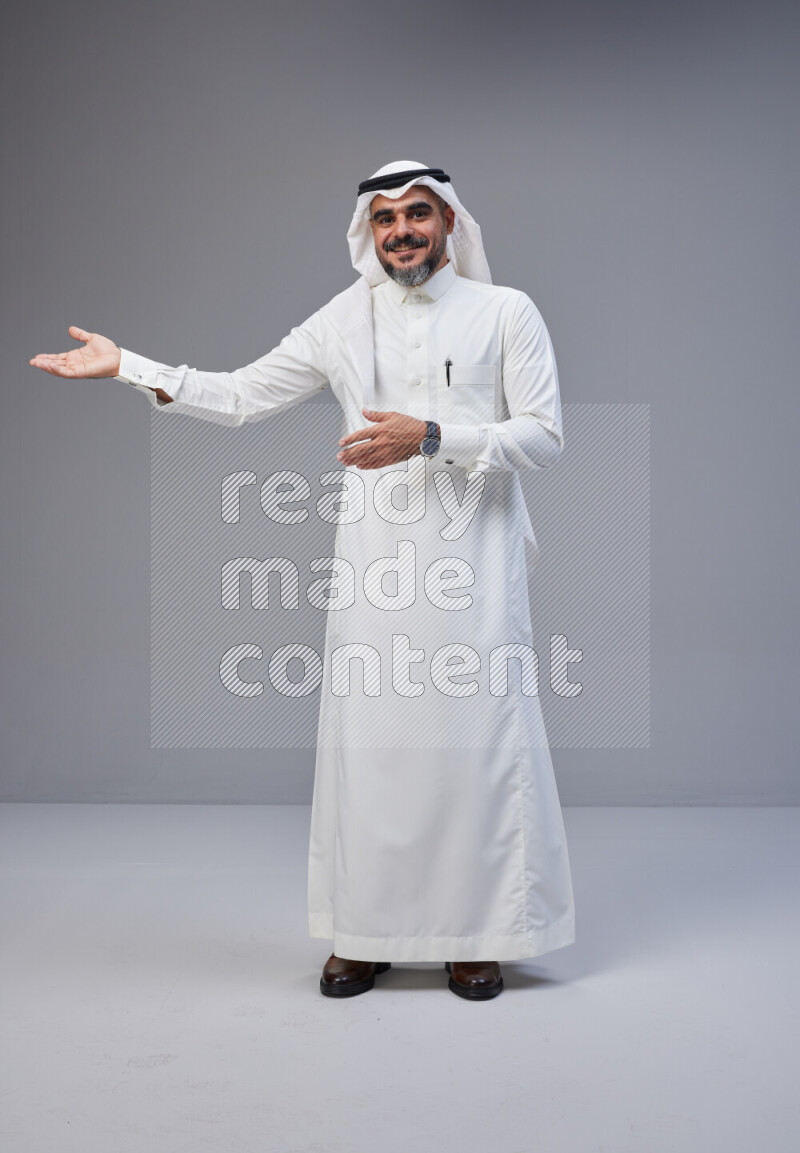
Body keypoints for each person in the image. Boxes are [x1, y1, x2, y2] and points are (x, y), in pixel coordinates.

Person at [29, 160, 575, 1001]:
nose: (402, 231)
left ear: (450, 223)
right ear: (368, 232)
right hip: (375, 569)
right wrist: (129, 366)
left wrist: (432, 434)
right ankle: (367, 932)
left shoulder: (507, 312)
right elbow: (242, 394)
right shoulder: (342, 321)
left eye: (418, 214)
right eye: (385, 217)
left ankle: (477, 934)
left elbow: (541, 436)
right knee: (374, 750)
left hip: (476, 567)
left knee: (474, 747)